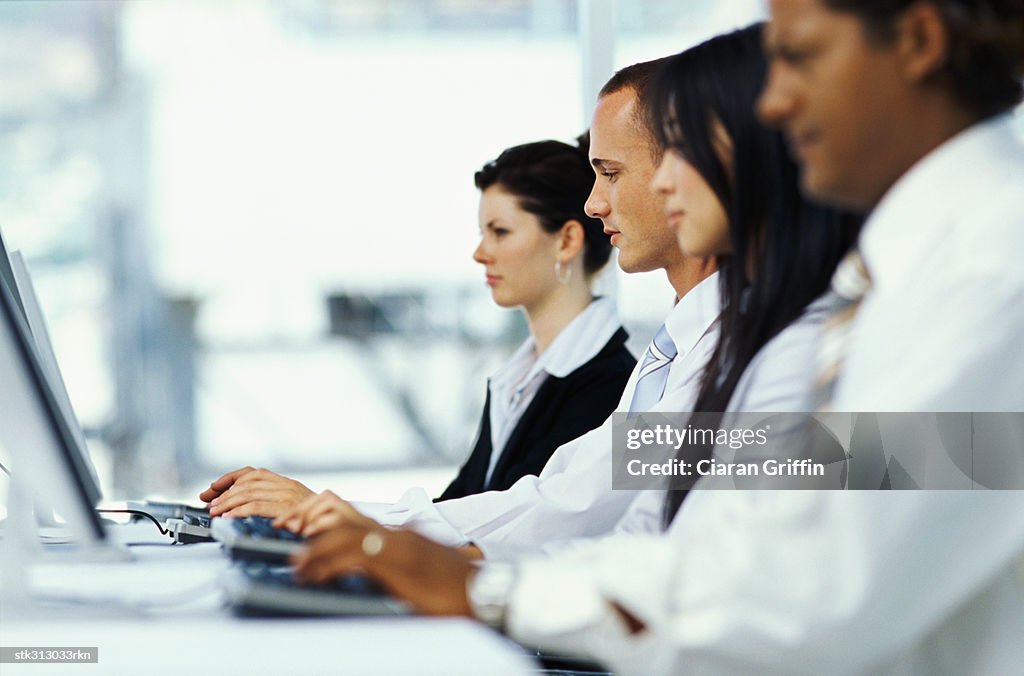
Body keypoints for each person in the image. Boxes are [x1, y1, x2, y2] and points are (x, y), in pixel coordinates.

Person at [291, 12, 1024, 674]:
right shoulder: (896, 282)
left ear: (919, 42)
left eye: (801, 57)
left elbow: (817, 586)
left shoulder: (987, 277)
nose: (777, 103)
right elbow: (689, 530)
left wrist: (488, 587)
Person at [273, 58, 723, 559]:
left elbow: (581, 515)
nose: (593, 204)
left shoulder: (766, 348)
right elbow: (567, 500)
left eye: (612, 174)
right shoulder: (669, 354)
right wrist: (361, 526)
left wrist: (377, 535)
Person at [199, 139, 635, 515]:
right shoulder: (517, 381)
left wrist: (324, 511)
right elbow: (454, 512)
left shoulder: (613, 387)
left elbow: (513, 527)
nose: (480, 253)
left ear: (567, 240)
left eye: (500, 232)